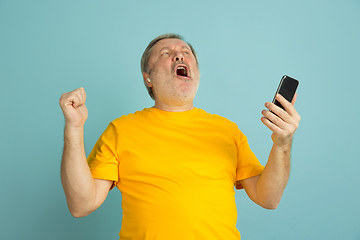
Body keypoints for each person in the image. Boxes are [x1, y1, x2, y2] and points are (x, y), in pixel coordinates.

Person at [59, 33, 301, 240]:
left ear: (195, 70)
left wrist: (283, 143)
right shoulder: (121, 129)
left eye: (185, 52)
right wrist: (74, 128)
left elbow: (268, 198)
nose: (178, 55)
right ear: (148, 77)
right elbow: (81, 205)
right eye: (165, 53)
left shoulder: (227, 130)